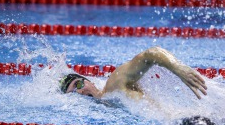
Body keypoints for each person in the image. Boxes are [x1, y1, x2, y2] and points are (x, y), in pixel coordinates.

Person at [59, 46, 207, 100]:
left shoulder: (113, 85)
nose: (80, 92)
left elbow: (151, 53)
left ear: (88, 81)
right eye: (73, 92)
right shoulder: (107, 103)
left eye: (78, 84)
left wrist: (178, 68)